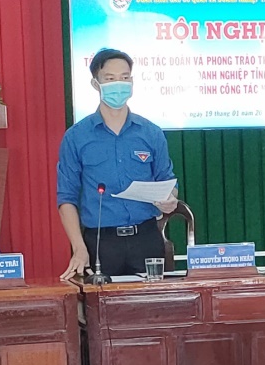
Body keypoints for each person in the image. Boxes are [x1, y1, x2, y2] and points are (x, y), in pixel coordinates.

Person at [56, 48, 180, 280]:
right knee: (101, 302)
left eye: (124, 78)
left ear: (132, 82)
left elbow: (167, 182)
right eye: (110, 79)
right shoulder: (76, 137)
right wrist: (78, 247)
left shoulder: (150, 133)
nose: (119, 85)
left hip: (145, 238)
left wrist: (169, 200)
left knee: (152, 302)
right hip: (100, 242)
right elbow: (66, 198)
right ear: (96, 84)